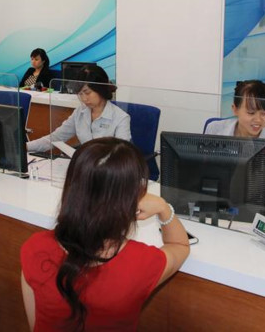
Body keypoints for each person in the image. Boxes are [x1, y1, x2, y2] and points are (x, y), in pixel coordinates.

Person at [21, 138, 190, 331]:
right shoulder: (140, 262)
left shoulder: (34, 248)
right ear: (130, 199)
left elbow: (36, 325)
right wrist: (163, 207)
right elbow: (180, 245)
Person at [26, 65, 131, 152]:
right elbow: (55, 138)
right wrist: (25, 147)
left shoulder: (121, 118)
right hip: (85, 165)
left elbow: (122, 155)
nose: (84, 99)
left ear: (101, 89)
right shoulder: (80, 112)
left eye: (87, 93)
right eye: (80, 94)